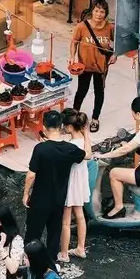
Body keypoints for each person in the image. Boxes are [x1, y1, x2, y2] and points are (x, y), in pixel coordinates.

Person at [23, 109, 86, 262]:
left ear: (44, 127)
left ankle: (30, 261)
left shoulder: (41, 149)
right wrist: (85, 134)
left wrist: (26, 193)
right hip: (59, 198)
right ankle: (51, 263)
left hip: (40, 198)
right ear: (61, 126)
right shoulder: (70, 149)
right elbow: (85, 154)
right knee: (54, 232)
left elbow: (31, 175)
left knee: (33, 232)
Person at [99, 96, 140, 219]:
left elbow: (125, 150)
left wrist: (103, 155)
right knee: (122, 171)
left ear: (138, 113)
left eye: (133, 113)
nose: (132, 115)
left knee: (114, 173)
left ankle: (118, 207)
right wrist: (128, 144)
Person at [70, 0, 116, 133]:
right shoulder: (82, 27)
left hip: (101, 67)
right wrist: (72, 57)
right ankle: (75, 114)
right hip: (84, 66)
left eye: (102, 11)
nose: (99, 14)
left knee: (99, 92)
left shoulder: (110, 27)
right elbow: (74, 42)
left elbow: (119, 41)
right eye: (96, 11)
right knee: (81, 91)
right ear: (92, 11)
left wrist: (115, 54)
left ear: (105, 13)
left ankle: (95, 119)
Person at [59, 108, 92, 262]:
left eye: (65, 126)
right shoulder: (84, 142)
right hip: (81, 180)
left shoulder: (70, 145)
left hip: (71, 181)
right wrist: (87, 135)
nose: (64, 128)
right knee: (79, 214)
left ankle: (64, 253)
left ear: (70, 127)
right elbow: (89, 155)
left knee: (66, 219)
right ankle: (80, 248)